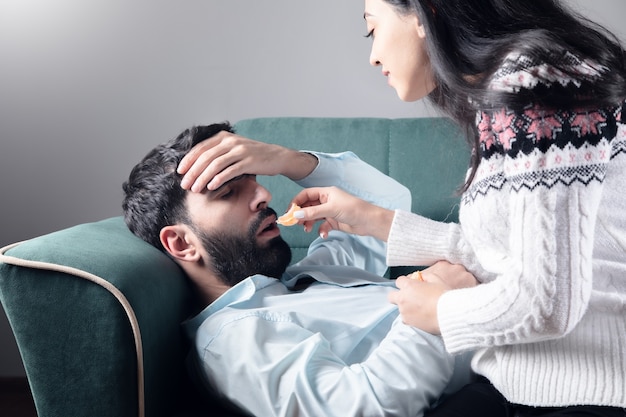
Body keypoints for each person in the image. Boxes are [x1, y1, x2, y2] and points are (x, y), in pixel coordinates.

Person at [178, 1, 626, 416]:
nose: (373, 55)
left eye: (372, 28)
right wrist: (428, 303)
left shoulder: (532, 82)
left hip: (572, 380)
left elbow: (549, 297)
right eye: (225, 193)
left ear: (423, 11)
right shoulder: (505, 96)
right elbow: (514, 258)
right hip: (528, 376)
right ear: (180, 242)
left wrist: (439, 309)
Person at [122, 122, 475, 417]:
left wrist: (286, 160)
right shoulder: (234, 341)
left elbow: (387, 201)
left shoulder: (307, 276)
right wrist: (433, 314)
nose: (263, 194)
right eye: (229, 192)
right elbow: (357, 408)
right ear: (182, 244)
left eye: (255, 178)